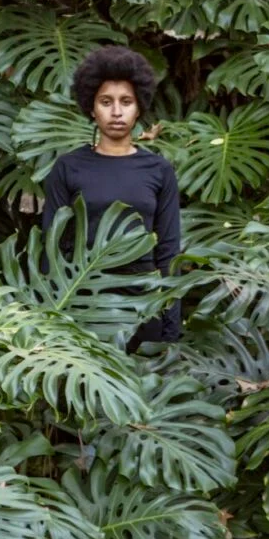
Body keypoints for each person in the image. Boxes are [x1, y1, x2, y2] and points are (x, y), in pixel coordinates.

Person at [40, 45, 182, 349]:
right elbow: (51, 246)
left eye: (126, 102)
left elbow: (169, 250)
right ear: (92, 108)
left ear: (139, 107)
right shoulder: (68, 167)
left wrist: (171, 329)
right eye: (106, 102)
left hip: (143, 302)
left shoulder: (159, 170)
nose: (116, 112)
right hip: (82, 298)